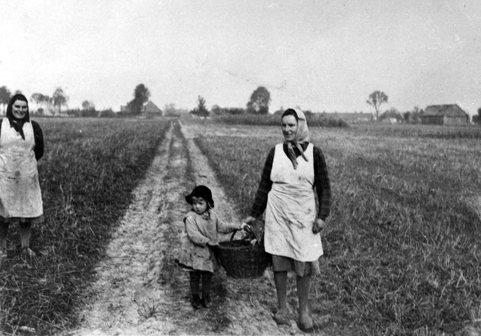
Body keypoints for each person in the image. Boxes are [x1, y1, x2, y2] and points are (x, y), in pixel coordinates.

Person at [244, 108, 331, 332]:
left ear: (300, 126)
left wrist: (322, 216)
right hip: (278, 212)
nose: (287, 130)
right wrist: (254, 213)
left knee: (305, 261)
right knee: (279, 260)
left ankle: (303, 311)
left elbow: (324, 188)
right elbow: (264, 185)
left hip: (304, 214)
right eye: (283, 125)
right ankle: (282, 308)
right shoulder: (275, 152)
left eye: (291, 125)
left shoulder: (315, 153)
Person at [176, 185, 249, 309]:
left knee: (207, 273)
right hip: (195, 251)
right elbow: (194, 235)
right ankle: (195, 296)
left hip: (207, 253)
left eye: (201, 203)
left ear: (208, 203)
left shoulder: (212, 215)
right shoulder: (190, 218)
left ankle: (205, 296)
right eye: (194, 203)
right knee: (194, 274)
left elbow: (222, 227)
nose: (197, 206)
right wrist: (208, 241)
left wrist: (237, 226)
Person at [0, 94, 44, 262]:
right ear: (11, 107)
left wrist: (24, 165)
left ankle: (25, 247)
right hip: (5, 176)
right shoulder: (1, 125)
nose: (20, 110)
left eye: (24, 107)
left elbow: (39, 151)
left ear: (27, 109)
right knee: (3, 214)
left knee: (26, 213)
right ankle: (2, 249)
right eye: (17, 106)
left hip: (27, 176)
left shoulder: (34, 127)